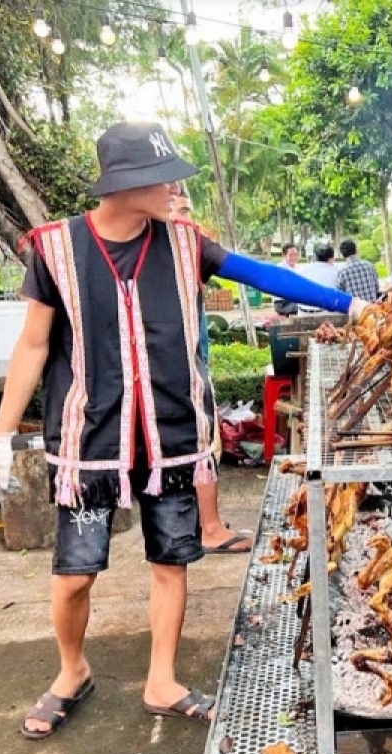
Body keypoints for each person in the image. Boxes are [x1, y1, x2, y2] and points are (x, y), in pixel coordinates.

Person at [0, 122, 364, 740]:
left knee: (171, 561)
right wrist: (1, 436)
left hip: (172, 435)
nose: (173, 190)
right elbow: (33, 345)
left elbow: (264, 275)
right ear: (124, 185)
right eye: (160, 179)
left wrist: (353, 305)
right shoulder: (55, 249)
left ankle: (162, 679)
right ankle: (70, 671)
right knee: (75, 572)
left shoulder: (186, 244)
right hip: (91, 438)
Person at [170, 189, 251, 555]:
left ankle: (200, 523)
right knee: (204, 442)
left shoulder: (185, 247)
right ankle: (211, 528)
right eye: (180, 210)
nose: (189, 219)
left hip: (192, 354)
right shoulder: (172, 248)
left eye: (189, 209)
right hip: (183, 367)